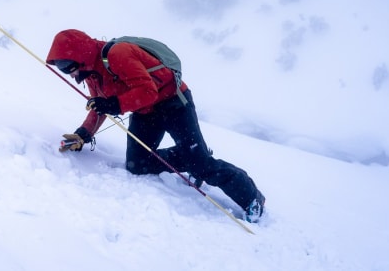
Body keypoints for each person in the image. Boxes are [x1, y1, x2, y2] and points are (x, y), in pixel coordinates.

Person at [46, 29, 266, 222]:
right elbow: (100, 107)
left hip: (174, 104)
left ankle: (251, 197)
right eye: (62, 67)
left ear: (80, 55)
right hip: (145, 112)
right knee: (137, 165)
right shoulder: (92, 73)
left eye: (67, 66)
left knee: (202, 165)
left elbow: (148, 91)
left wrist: (114, 104)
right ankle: (191, 155)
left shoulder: (118, 54)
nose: (68, 72)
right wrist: (83, 134)